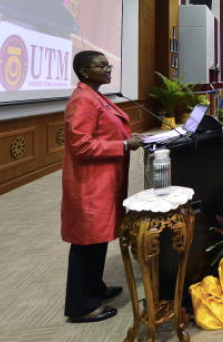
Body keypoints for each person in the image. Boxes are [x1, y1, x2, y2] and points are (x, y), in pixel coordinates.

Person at [62, 51, 143, 322]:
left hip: (103, 181)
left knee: (97, 240)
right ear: (85, 71)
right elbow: (81, 145)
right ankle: (81, 306)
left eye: (109, 65)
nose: (108, 69)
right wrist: (123, 144)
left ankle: (95, 288)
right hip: (89, 185)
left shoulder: (96, 96)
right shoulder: (83, 100)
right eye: (101, 66)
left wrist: (127, 138)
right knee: (86, 243)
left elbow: (104, 131)